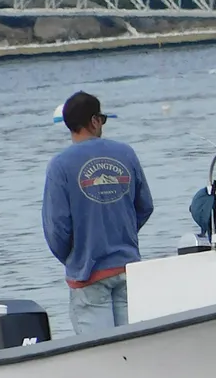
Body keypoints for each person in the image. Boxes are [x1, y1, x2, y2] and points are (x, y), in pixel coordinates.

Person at [42, 91, 154, 335]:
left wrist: (75, 257)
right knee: (133, 349)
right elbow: (145, 206)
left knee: (100, 354)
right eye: (102, 119)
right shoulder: (126, 153)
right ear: (94, 121)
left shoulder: (60, 165)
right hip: (127, 269)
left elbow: (56, 228)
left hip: (87, 274)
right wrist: (122, 233)